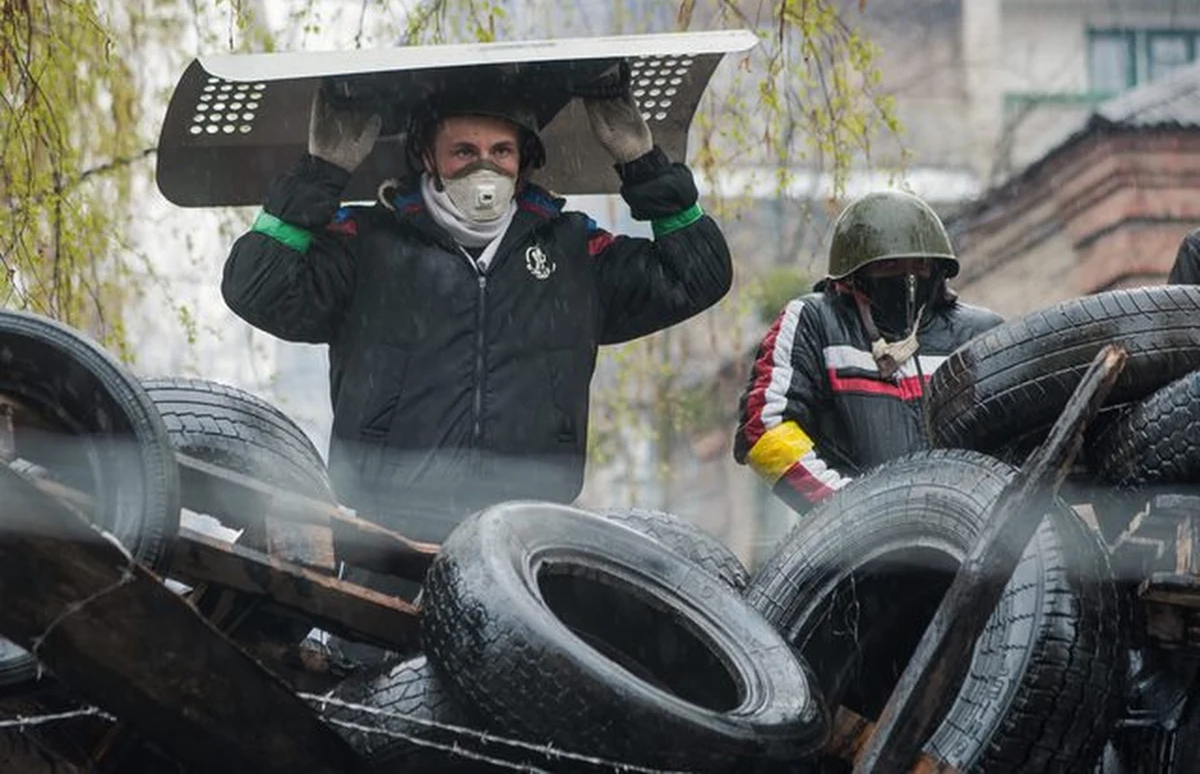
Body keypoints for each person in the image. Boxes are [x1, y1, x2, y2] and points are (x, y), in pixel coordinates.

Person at [221, 64, 733, 544]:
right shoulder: (366, 243)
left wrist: (641, 160)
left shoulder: (573, 250)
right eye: (464, 151)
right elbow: (255, 287)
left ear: (522, 161)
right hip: (385, 534)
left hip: (527, 535)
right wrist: (321, 172)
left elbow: (698, 275)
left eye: (502, 151)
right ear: (428, 157)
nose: (485, 167)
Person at [733, 190, 1004, 513]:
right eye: (888, 264)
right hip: (852, 550)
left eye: (920, 262)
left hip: (973, 534)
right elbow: (764, 427)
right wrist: (850, 510)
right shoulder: (814, 321)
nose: (908, 275)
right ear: (854, 273)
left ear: (938, 266)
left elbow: (1020, 438)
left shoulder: (979, 331)